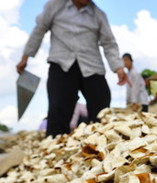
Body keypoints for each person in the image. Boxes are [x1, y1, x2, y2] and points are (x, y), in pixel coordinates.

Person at [16, 0, 128, 137]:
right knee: (58, 108)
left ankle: (101, 141)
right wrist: (25, 57)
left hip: (91, 66)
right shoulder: (55, 6)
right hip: (61, 64)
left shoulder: (98, 15)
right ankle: (54, 147)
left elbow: (109, 42)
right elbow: (39, 30)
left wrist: (118, 68)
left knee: (101, 105)